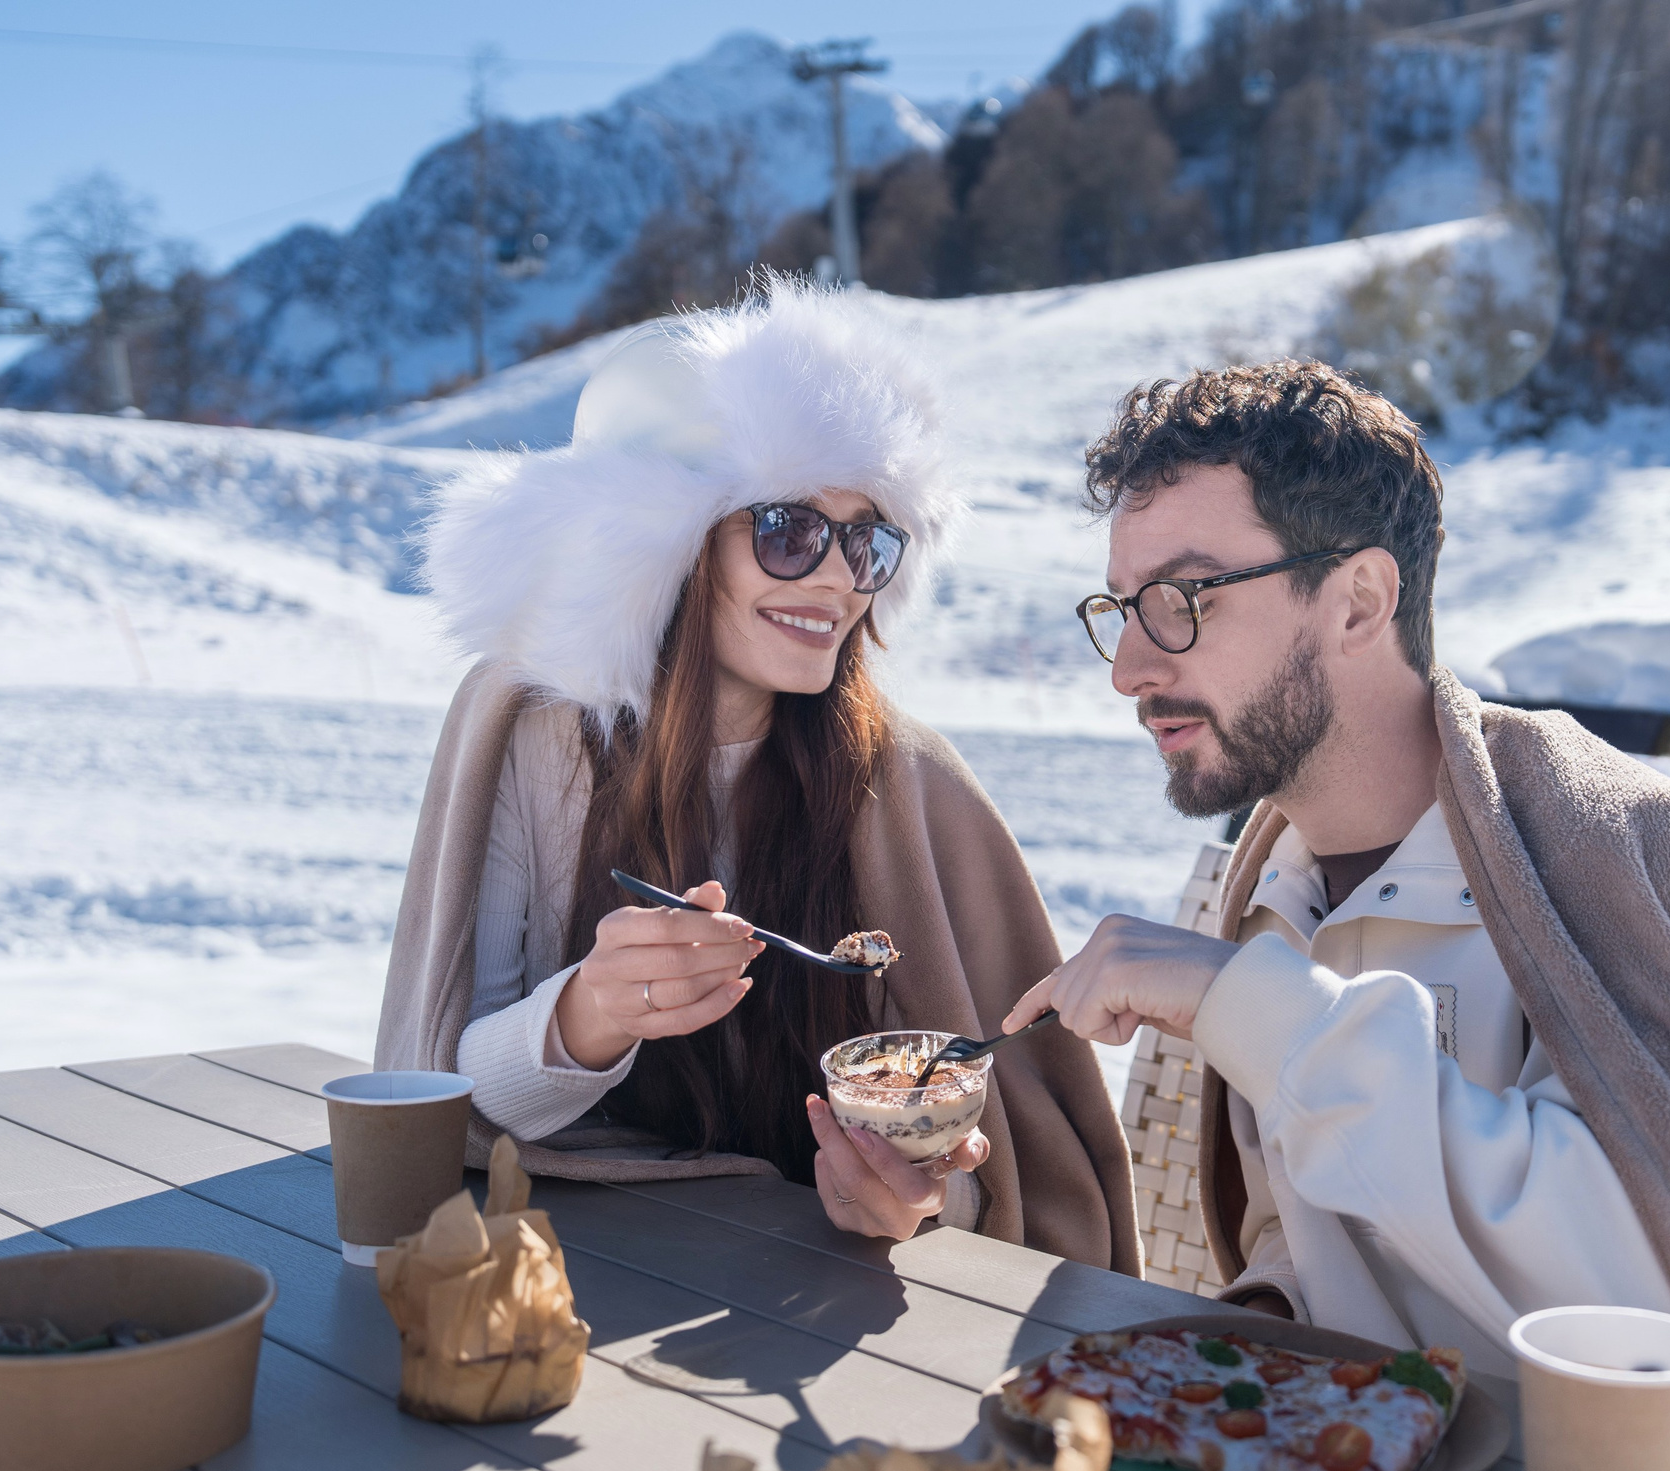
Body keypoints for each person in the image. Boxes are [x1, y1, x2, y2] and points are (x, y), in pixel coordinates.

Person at [1006, 359, 1670, 1471]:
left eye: (1184, 598)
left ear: (1357, 601)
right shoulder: (1278, 885)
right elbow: (1339, 1258)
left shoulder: (1619, 859)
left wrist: (1255, 1014)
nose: (1132, 669)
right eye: (1121, 607)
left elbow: (1659, 1324)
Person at [374, 281, 1138, 1273]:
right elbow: (443, 1095)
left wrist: (911, 1194)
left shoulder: (906, 786)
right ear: (661, 552)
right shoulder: (530, 734)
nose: (835, 579)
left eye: (864, 540)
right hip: (571, 1273)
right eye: (786, 531)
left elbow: (996, 1169)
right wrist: (587, 1019)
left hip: (819, 1304)